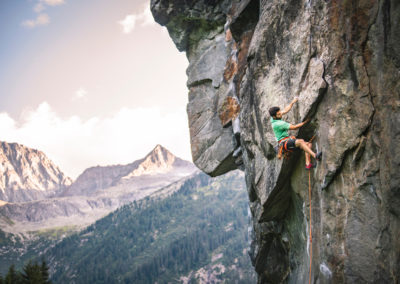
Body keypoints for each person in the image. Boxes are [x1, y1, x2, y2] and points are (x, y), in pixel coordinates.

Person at [269, 97, 322, 169]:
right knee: (301, 142)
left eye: (279, 113)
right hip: (284, 144)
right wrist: (304, 122)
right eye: (278, 114)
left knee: (308, 144)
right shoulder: (278, 124)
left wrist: (292, 102)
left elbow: (285, 110)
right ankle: (315, 156)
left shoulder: (274, 117)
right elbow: (294, 127)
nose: (280, 115)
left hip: (287, 141)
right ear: (274, 116)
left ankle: (308, 164)